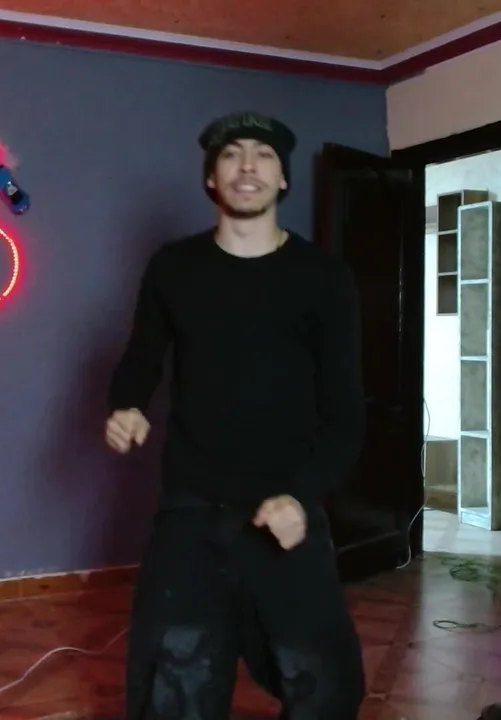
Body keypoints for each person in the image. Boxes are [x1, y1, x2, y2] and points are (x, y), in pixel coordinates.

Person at [104, 111, 367, 720]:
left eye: (264, 155)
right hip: (191, 508)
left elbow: (347, 417)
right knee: (173, 684)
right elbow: (140, 360)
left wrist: (301, 496)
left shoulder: (324, 278)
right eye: (231, 154)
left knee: (326, 683)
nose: (248, 165)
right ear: (211, 179)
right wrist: (126, 405)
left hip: (285, 505)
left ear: (283, 179)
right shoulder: (173, 267)